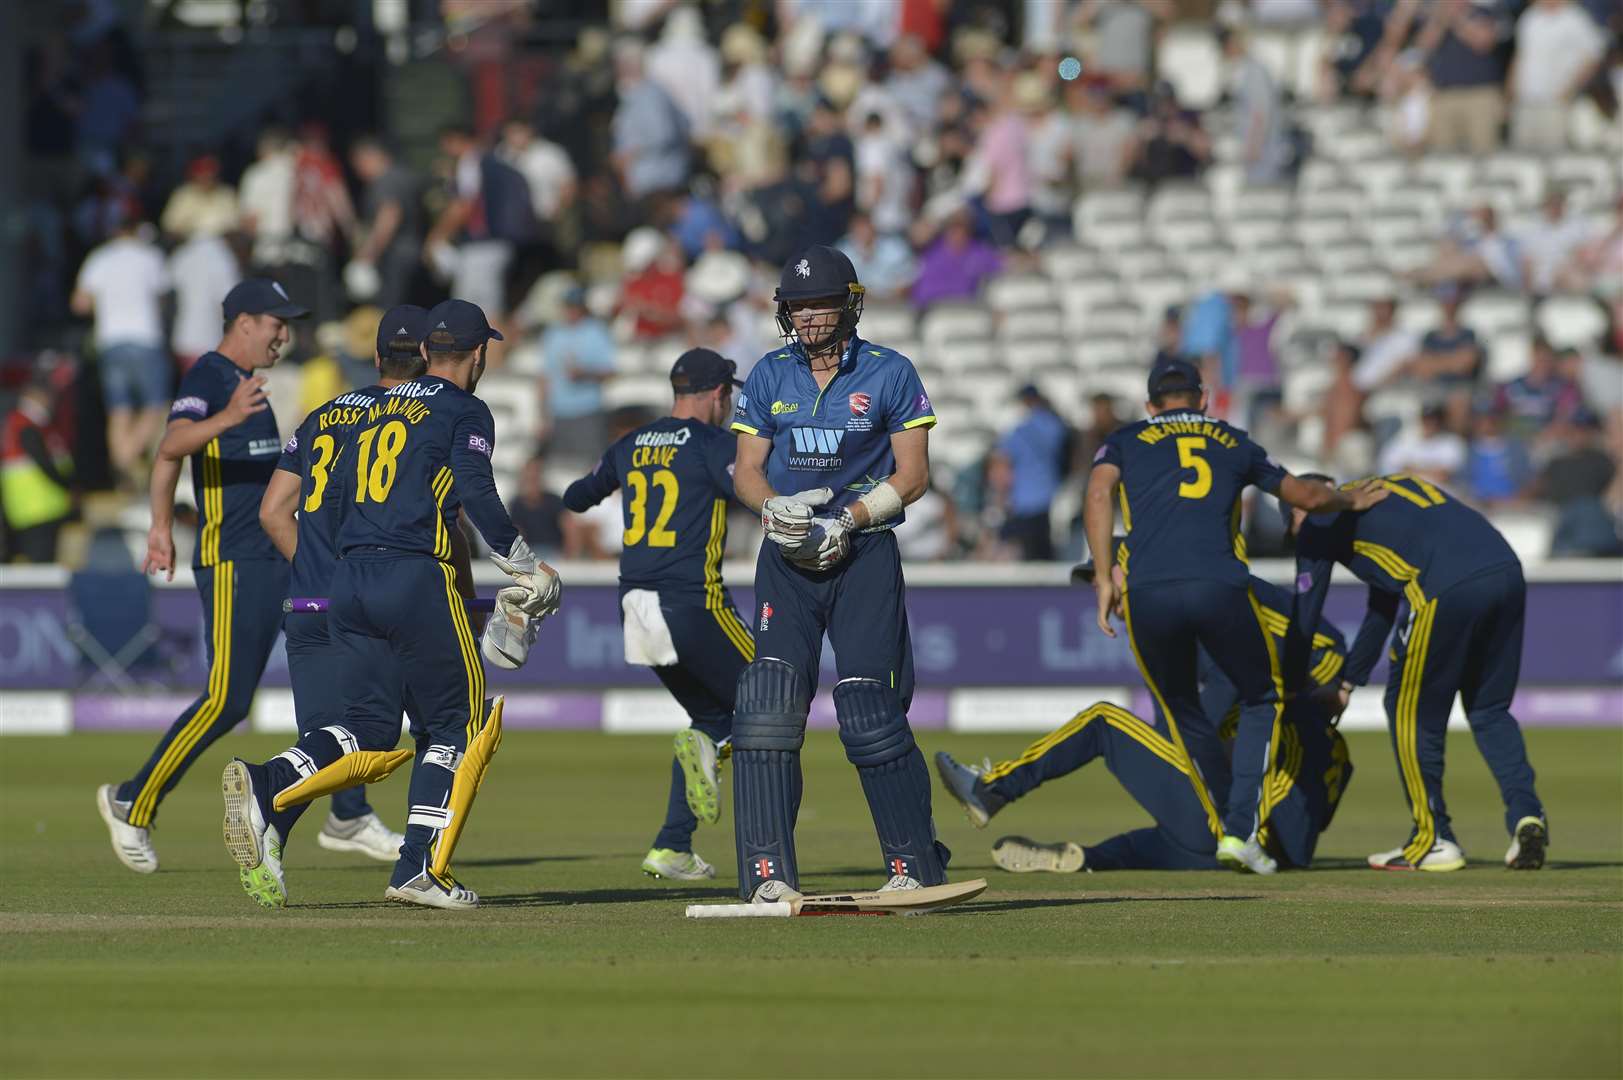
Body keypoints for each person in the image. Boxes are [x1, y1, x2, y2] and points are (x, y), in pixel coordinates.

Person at [221, 299, 561, 910]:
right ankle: (418, 869)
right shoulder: (463, 407)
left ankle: (270, 781)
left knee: (366, 731)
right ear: (479, 353)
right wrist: (522, 562)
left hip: (343, 582)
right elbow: (474, 494)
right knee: (459, 723)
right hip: (413, 575)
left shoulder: (355, 410)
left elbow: (289, 507)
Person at [1082, 358, 1388, 874]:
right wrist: (1350, 497)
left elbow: (1096, 492)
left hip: (1147, 591)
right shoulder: (1232, 440)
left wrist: (1104, 576)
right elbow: (1306, 496)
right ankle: (1239, 831)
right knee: (1261, 697)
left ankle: (1218, 820)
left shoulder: (1125, 439)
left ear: (1151, 405)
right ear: (1203, 400)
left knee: (1183, 712)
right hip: (1220, 586)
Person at [728, 245, 949, 903]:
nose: (809, 317)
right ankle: (767, 877)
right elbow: (745, 469)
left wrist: (844, 521)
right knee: (768, 711)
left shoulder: (889, 372)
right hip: (787, 560)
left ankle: (913, 865)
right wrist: (775, 509)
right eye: (797, 306)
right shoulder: (768, 374)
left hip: (864, 553)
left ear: (849, 304)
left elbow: (913, 477)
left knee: (869, 709)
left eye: (821, 303)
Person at [935, 551, 1354, 872]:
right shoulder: (1297, 710)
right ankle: (1088, 858)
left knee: (1104, 721)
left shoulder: (1199, 629)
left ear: (1125, 572)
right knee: (1142, 844)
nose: (1103, 594)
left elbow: (1193, 723)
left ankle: (991, 790)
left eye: (1102, 577)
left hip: (1235, 827)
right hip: (1240, 841)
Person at [95, 279, 309, 874]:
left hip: (273, 556)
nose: (283, 334)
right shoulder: (211, 378)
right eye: (276, 322)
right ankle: (133, 800)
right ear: (243, 322)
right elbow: (170, 446)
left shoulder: (251, 390)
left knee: (328, 668)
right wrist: (162, 526)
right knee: (226, 700)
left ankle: (348, 809)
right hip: (231, 559)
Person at [246, 306, 434, 904]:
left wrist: (318, 571)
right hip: (375, 599)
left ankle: (270, 837)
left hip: (307, 602)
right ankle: (269, 785)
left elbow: (274, 511)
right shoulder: (417, 419)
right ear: (427, 360)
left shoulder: (322, 416)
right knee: (386, 737)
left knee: (328, 741)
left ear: (376, 358)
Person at [1284, 473, 1548, 871]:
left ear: (1300, 509)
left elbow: (1305, 618)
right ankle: (1528, 815)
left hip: (1443, 586)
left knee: (1408, 710)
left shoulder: (1317, 520)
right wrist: (1348, 683)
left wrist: (1288, 688)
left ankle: (1433, 838)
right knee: (1489, 710)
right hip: (1506, 570)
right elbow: (1383, 607)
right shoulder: (1386, 489)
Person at [562, 348, 754, 882]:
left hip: (635, 605)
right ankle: (767, 849)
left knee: (715, 716)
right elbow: (756, 491)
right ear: (719, 394)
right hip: (692, 600)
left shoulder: (632, 443)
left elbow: (578, 497)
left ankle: (672, 846)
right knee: (776, 696)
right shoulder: (716, 444)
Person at [71, 215, 172, 488]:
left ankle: (122, 471)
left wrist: (106, 306)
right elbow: (164, 298)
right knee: (154, 407)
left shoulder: (99, 258)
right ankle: (127, 460)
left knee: (119, 411)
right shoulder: (151, 256)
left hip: (111, 341)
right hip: (146, 338)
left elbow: (79, 303)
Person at [1, 377, 74, 563]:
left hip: (30, 509)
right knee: (41, 568)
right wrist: (68, 486)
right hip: (40, 509)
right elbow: (43, 462)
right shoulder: (26, 425)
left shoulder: (21, 423)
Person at [348, 136, 423, 311]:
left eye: (358, 165)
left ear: (369, 157)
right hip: (413, 251)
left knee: (392, 309)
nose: (358, 172)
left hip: (395, 254)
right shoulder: (405, 175)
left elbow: (389, 216)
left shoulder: (384, 182)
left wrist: (369, 253)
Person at [995, 385, 1067, 561]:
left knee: (1029, 554)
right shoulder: (1055, 425)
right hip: (1049, 495)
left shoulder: (1019, 430)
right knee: (1045, 552)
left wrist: (1002, 495)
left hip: (1025, 499)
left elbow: (1003, 463)